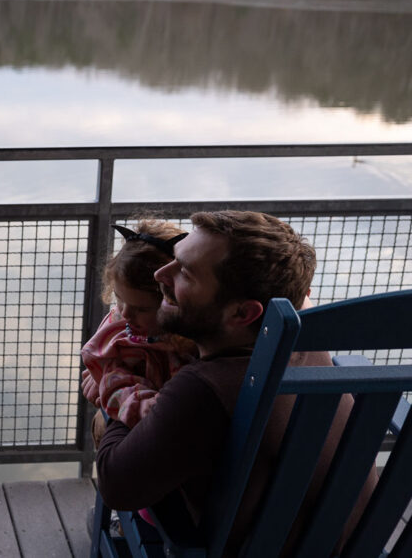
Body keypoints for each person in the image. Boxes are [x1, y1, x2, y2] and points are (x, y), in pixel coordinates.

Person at [95, 210, 377, 556]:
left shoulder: (203, 388)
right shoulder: (305, 337)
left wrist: (120, 385)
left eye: (185, 272)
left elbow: (116, 485)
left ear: (243, 314)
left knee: (106, 422)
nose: (160, 274)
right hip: (343, 544)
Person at [81, 220, 197, 432]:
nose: (125, 313)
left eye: (142, 309)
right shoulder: (119, 335)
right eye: (119, 298)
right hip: (148, 423)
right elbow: (116, 384)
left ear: (173, 302)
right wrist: (148, 409)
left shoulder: (193, 336)